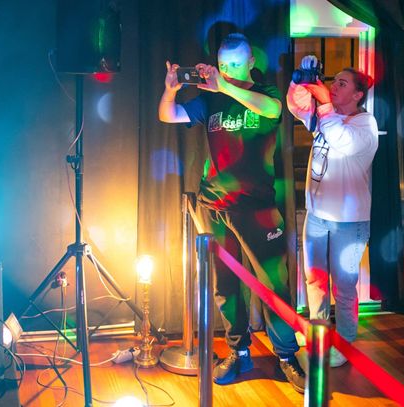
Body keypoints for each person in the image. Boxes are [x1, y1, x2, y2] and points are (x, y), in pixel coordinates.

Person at [158, 33, 305, 393]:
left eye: (236, 64)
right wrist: (171, 89)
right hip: (215, 207)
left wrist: (224, 86)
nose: (228, 70)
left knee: (273, 286)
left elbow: (273, 111)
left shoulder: (265, 94)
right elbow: (167, 115)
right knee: (225, 287)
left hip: (257, 209)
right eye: (224, 65)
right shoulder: (211, 100)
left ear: (251, 63)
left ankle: (287, 355)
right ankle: (239, 352)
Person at [286, 56, 379, 367]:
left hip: (349, 222)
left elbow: (344, 142)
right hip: (317, 216)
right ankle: (320, 334)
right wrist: (301, 81)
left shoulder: (365, 124)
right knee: (314, 280)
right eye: (333, 80)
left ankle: (346, 342)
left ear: (358, 95)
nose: (334, 86)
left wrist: (325, 103)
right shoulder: (326, 117)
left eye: (342, 83)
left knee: (344, 286)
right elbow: (297, 106)